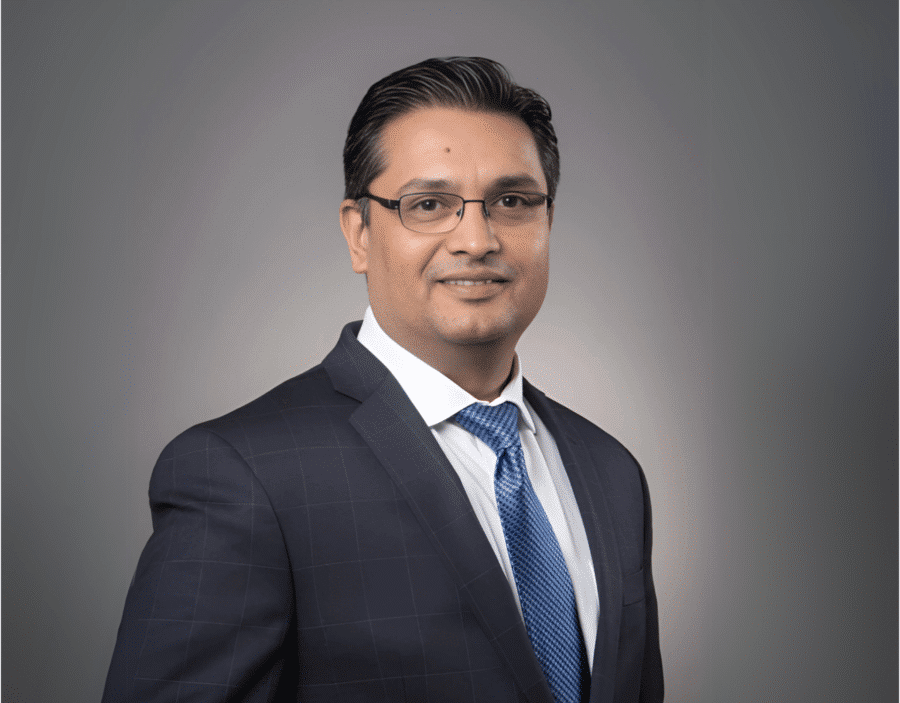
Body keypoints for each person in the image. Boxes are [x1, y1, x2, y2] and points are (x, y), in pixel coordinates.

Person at [103, 56, 664, 703]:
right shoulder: (244, 477)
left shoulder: (612, 473)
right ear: (359, 232)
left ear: (548, 222)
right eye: (430, 204)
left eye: (512, 200)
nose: (477, 238)